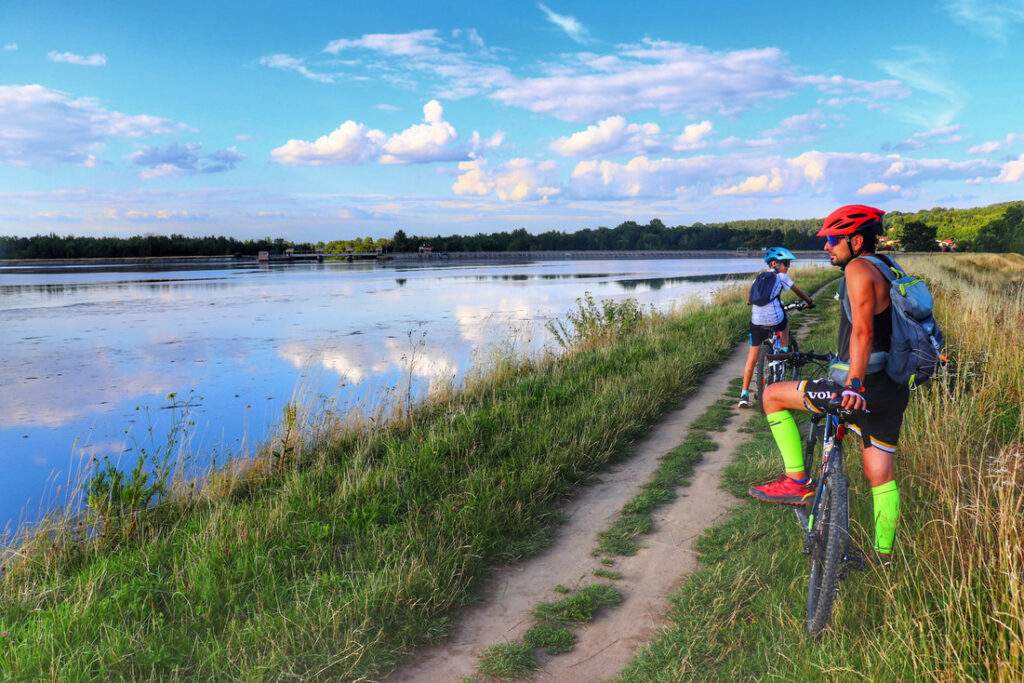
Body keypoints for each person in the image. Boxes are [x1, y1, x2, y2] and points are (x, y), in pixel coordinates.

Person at [748, 204, 909, 564]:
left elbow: (864, 331)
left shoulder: (858, 269)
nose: (826, 247)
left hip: (858, 386)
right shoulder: (888, 266)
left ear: (855, 240)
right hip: (890, 388)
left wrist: (852, 383)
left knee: (772, 396)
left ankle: (795, 480)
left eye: (833, 239)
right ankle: (882, 557)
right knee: (880, 475)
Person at [738, 247, 814, 408]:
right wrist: (809, 301)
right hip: (775, 320)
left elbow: (749, 300)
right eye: (785, 263)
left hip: (756, 322)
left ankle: (744, 395)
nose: (788, 266)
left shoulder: (758, 278)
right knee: (784, 323)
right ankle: (785, 352)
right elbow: (799, 292)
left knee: (752, 358)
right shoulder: (781, 277)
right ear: (774, 263)